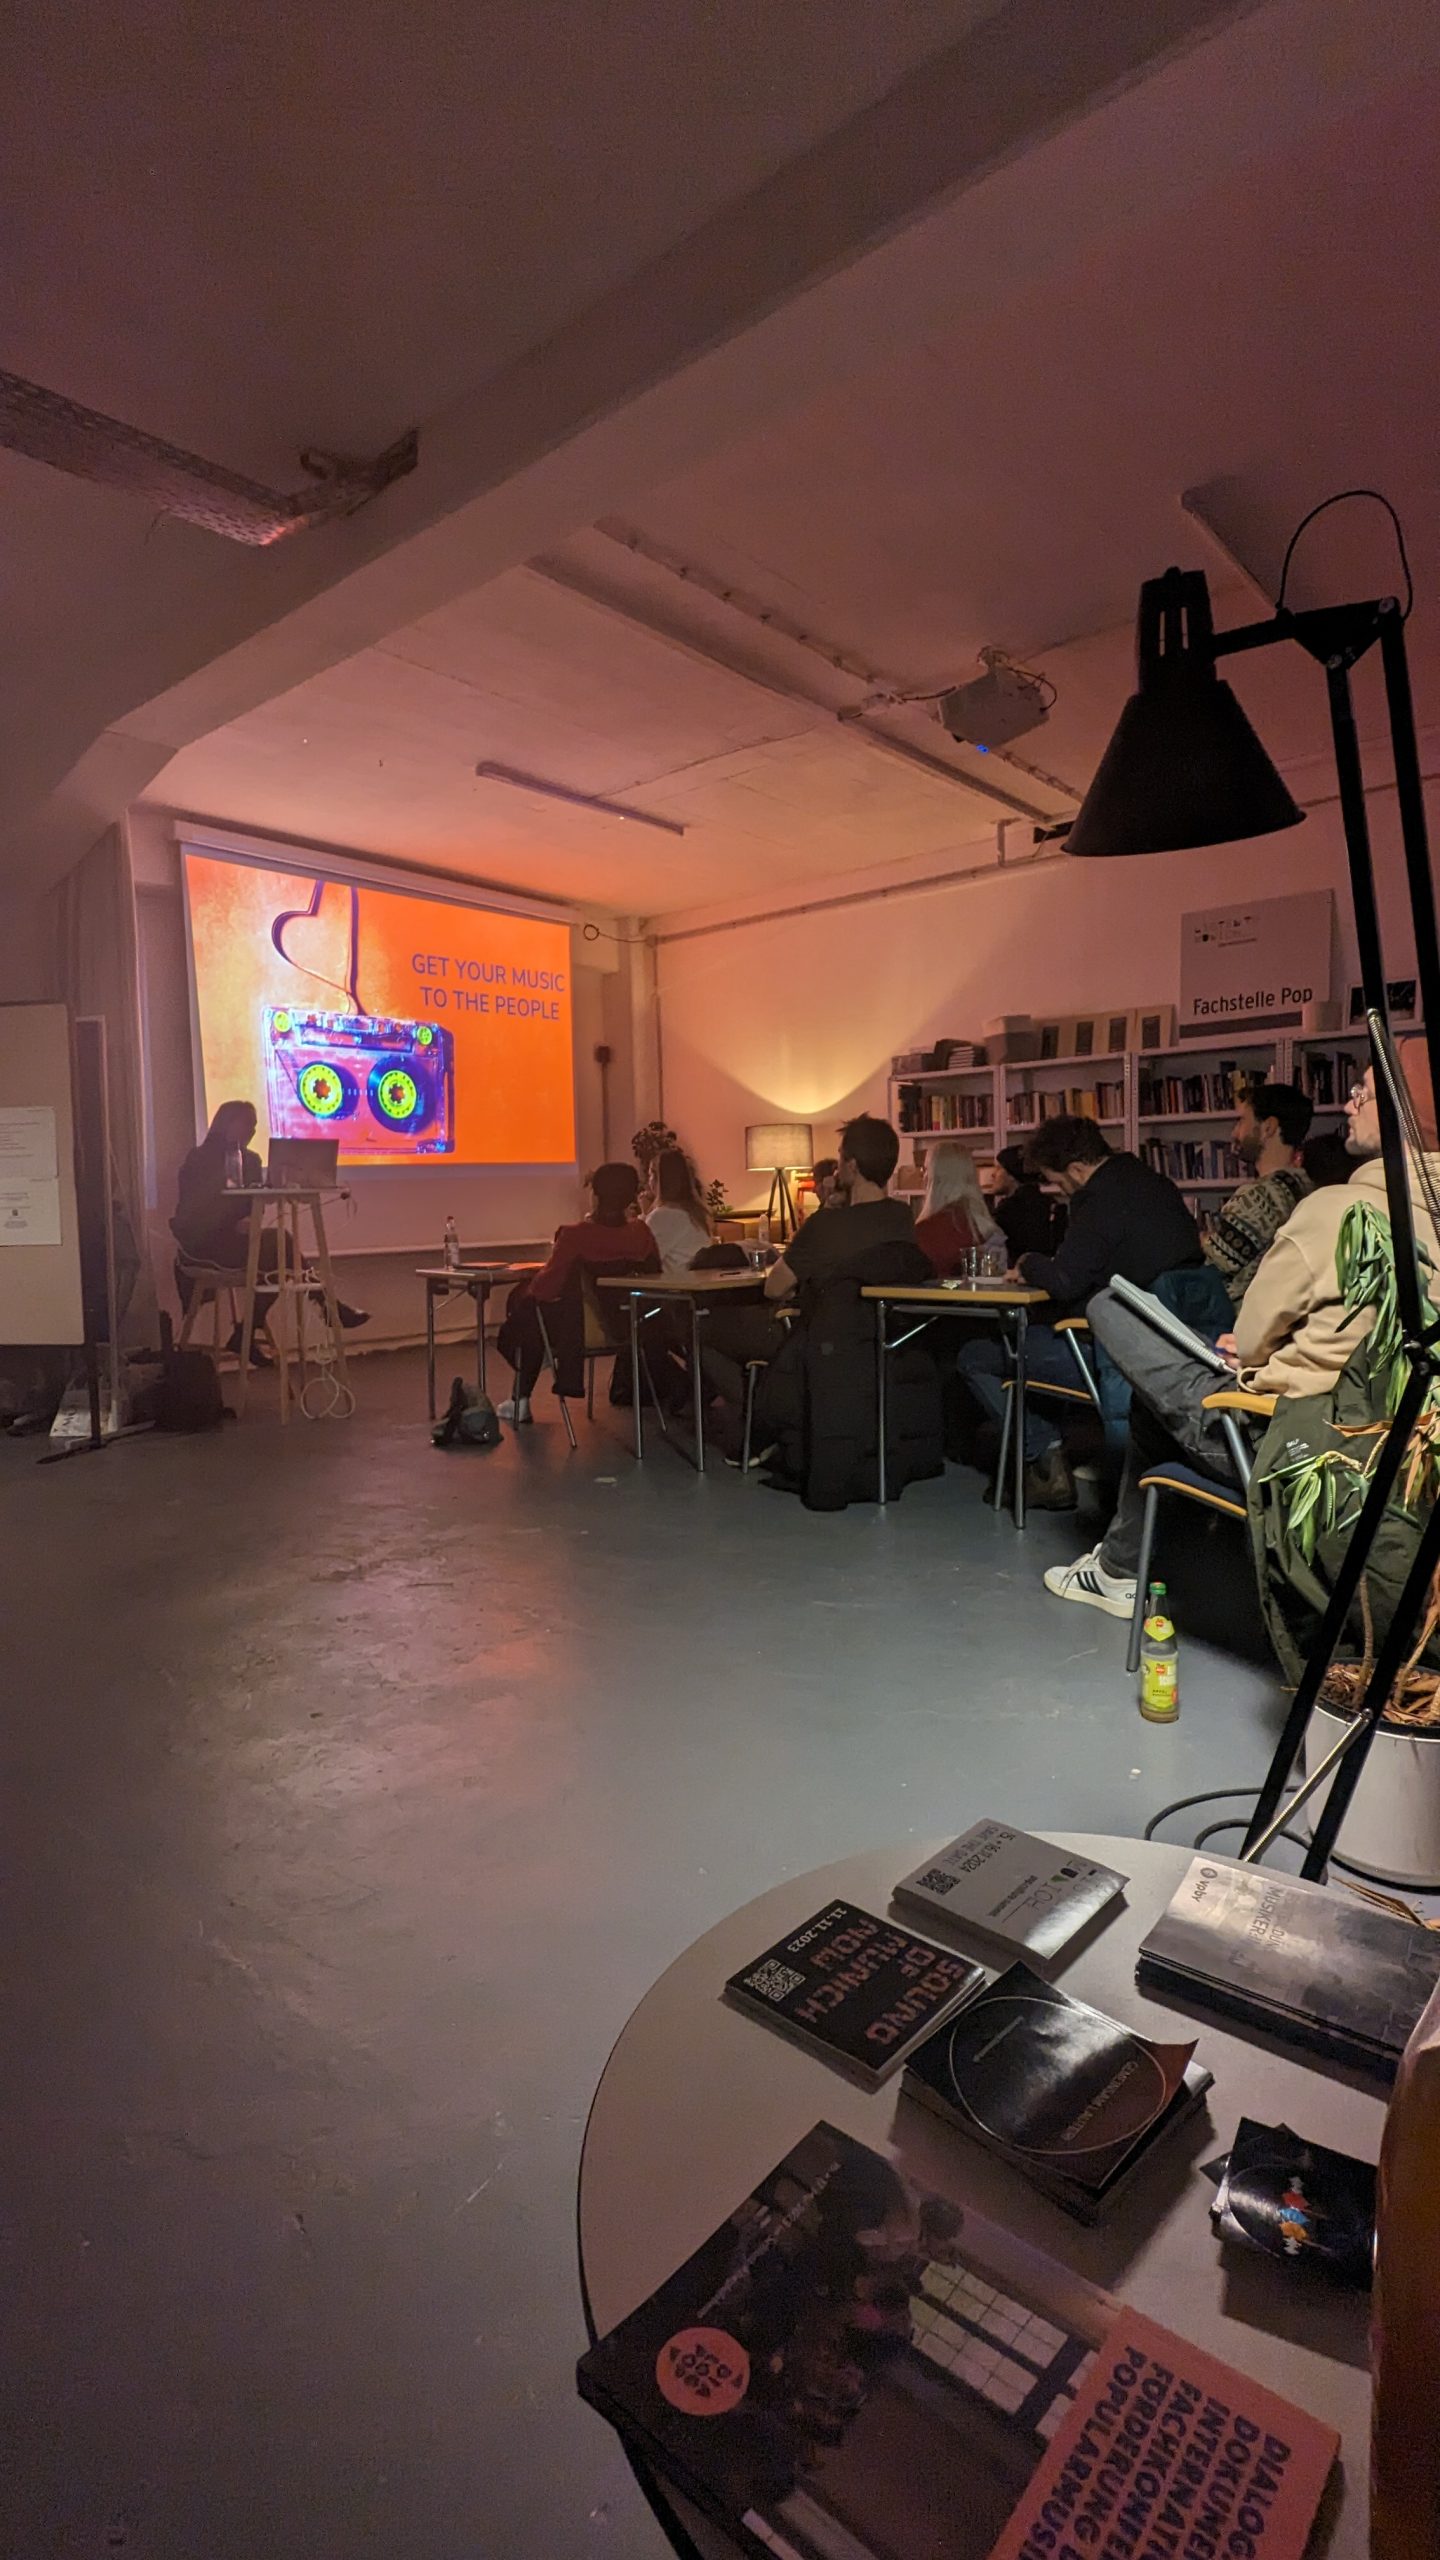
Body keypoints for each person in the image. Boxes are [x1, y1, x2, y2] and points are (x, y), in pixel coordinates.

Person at [1043, 1042, 1440, 1617]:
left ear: (1408, 1113)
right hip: (1387, 1456)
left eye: (1366, 1092)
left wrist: (1255, 1354)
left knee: (1110, 1306)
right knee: (1156, 1405)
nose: (1348, 1102)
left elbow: (1251, 1339)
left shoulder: (1337, 1211)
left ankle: (1118, 1571)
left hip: (1280, 1443)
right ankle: (1118, 1568)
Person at [956, 1116, 1202, 1508]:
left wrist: (1029, 1263)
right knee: (1035, 1343)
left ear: (1076, 1169)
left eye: (1057, 1181)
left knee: (976, 1356)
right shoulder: (1153, 1184)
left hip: (1115, 1356)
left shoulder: (1098, 1200)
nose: (1059, 1190)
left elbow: (1066, 1279)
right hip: (1177, 1349)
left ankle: (1045, 1456)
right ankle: (1061, 1456)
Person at [700, 1114, 913, 1456]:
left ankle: (757, 1415)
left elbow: (774, 1288)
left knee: (703, 1330)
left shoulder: (826, 1225)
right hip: (876, 1333)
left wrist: (826, 1210)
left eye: (840, 1157)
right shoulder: (902, 1217)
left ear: (851, 1166)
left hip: (814, 1334)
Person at [496, 1163, 659, 1422]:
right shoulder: (642, 1234)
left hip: (581, 1332)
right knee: (534, 1314)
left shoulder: (575, 1236)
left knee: (526, 1306)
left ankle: (520, 1398)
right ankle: (523, 1393)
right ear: (631, 1196)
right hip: (632, 1328)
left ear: (595, 1195)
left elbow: (545, 1289)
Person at [1203, 1081, 1312, 1309]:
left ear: (1268, 1127)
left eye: (1242, 1121)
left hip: (1241, 1321)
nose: (1235, 1132)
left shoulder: (1257, 1197)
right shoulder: (1309, 1187)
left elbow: (1213, 1265)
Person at [912, 1142, 1003, 1278]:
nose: (923, 1176)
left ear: (936, 1177)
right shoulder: (984, 1226)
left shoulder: (927, 1231)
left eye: (925, 1169)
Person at [989, 1142, 1065, 1263]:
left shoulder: (1008, 1210)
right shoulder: (1050, 1203)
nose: (993, 1174)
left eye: (999, 1168)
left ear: (1012, 1174)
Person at [645, 1146, 711, 1274]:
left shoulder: (663, 1215)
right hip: (699, 1282)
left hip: (675, 1283)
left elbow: (646, 1258)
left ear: (658, 1179)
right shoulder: (696, 1213)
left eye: (650, 1175)